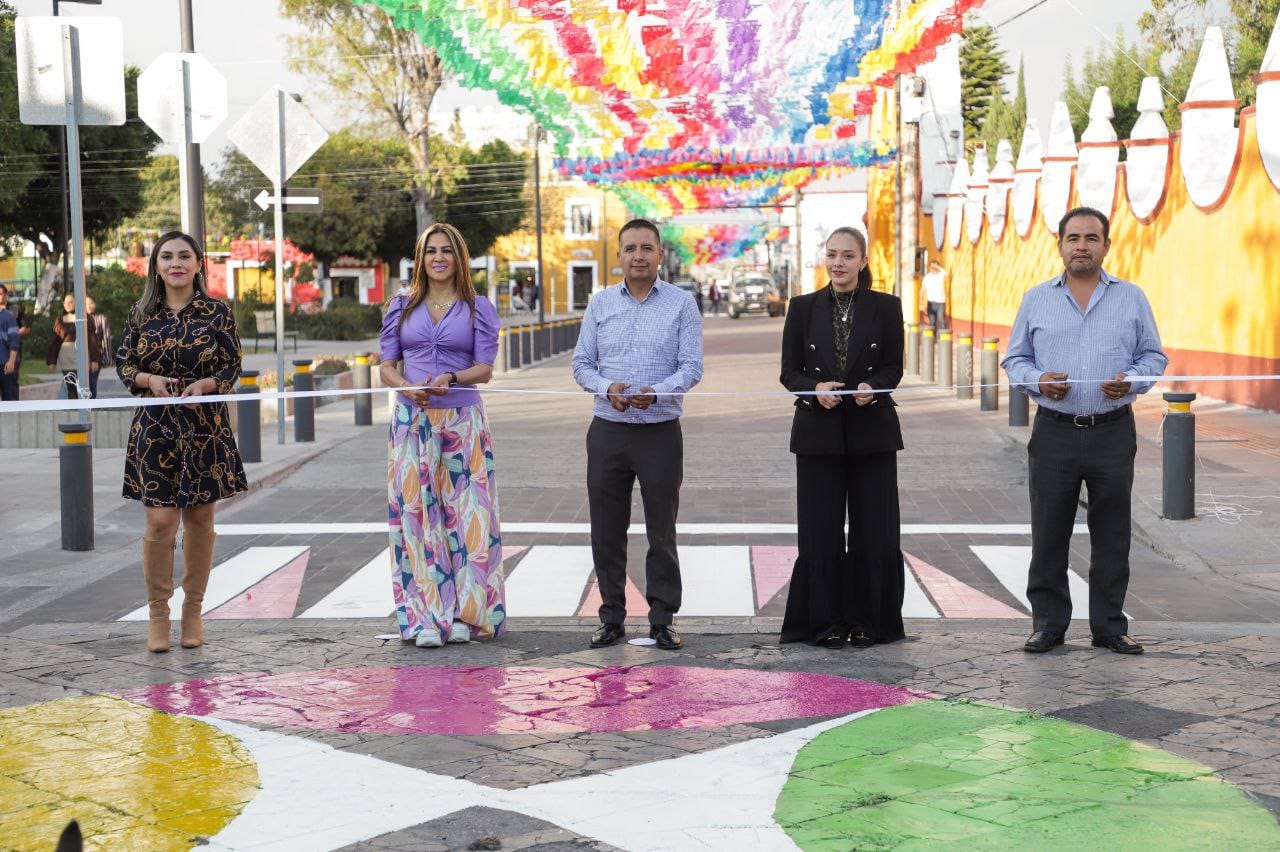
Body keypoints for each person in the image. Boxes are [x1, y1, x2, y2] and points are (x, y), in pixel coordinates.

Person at [1002, 207, 1167, 656]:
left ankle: (1109, 625)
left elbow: (1154, 356)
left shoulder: (1131, 298)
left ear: (1106, 246)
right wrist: (1038, 382)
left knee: (1112, 532)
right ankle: (1049, 624)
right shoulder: (1037, 298)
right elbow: (1014, 359)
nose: (1081, 246)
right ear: (1059, 245)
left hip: (1113, 431)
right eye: (1073, 237)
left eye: (1091, 238)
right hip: (1054, 432)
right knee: (1049, 530)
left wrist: (1131, 381)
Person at [571, 218, 704, 650]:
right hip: (608, 430)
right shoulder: (600, 304)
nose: (639, 256)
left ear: (661, 255)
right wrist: (606, 388)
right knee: (606, 530)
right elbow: (581, 364)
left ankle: (662, 618)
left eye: (647, 247)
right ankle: (611, 616)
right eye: (630, 248)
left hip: (660, 431)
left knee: (661, 531)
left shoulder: (682, 305)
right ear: (619, 257)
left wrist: (659, 392)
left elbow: (691, 367)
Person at [116, 231, 248, 653]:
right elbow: (123, 363)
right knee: (160, 522)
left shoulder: (217, 312)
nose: (176, 263)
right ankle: (158, 613)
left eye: (184, 256)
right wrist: (149, 380)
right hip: (155, 430)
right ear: (156, 265)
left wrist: (208, 384)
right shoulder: (140, 313)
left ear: (198, 264)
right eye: (167, 256)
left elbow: (232, 366)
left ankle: (193, 611)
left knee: (200, 521)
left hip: (204, 429)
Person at [379, 222, 506, 648]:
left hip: (462, 422)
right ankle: (424, 617)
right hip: (411, 422)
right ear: (420, 258)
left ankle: (466, 615)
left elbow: (484, 370)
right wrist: (404, 386)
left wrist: (451, 376)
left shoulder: (478, 307)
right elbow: (387, 366)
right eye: (430, 250)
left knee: (468, 516)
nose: (438, 257)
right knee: (416, 516)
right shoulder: (400, 306)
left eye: (446, 250)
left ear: (459, 258)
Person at [779, 226, 906, 648]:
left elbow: (893, 367)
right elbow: (789, 371)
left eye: (848, 255)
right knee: (820, 533)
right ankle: (825, 623)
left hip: (873, 433)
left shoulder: (887, 307)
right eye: (832, 254)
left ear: (863, 261)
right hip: (818, 433)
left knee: (876, 532)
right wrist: (814, 392)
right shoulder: (801, 307)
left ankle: (870, 622)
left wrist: (874, 388)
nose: (838, 263)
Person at [46, 292, 101, 400]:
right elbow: (55, 342)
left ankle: (85, 412)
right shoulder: (60, 320)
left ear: (77, 303)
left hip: (81, 356)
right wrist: (51, 361)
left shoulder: (86, 318)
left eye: (71, 302)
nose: (68, 304)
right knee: (70, 385)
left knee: (84, 386)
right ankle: (74, 411)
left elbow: (92, 340)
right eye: (66, 302)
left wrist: (95, 359)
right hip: (66, 357)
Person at [86, 295, 113, 399]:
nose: (89, 306)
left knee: (92, 382)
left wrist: (106, 358)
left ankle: (91, 407)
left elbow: (106, 339)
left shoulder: (101, 318)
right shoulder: (78, 318)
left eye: (91, 303)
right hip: (79, 356)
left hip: (96, 356)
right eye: (86, 304)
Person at [0, 284, 19, 401]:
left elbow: (14, 341)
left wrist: (11, 362)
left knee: (10, 400)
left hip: (5, 365)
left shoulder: (9, 316)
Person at [921, 260, 947, 331]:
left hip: (941, 302)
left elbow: (945, 273)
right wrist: (921, 303)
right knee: (932, 322)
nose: (934, 268)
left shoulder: (941, 274)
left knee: (941, 319)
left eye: (936, 267)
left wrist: (937, 266)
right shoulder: (927, 277)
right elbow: (923, 290)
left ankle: (943, 340)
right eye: (932, 267)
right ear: (929, 268)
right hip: (931, 303)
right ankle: (933, 339)